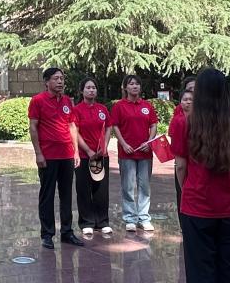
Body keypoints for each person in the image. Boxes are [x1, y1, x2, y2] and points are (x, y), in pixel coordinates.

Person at [171, 68, 230, 283]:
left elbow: (181, 165)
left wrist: (186, 191)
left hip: (197, 205)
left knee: (200, 272)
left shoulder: (185, 123)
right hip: (228, 207)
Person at [29, 67, 84, 249]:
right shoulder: (38, 101)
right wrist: (38, 153)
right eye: (56, 78)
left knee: (66, 194)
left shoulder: (67, 101)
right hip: (48, 155)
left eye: (62, 78)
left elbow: (72, 126)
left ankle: (67, 232)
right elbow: (33, 127)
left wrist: (76, 152)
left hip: (66, 155)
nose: (60, 81)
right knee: (47, 195)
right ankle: (47, 234)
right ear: (47, 82)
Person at [110, 75, 159, 233]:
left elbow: (153, 124)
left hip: (145, 153)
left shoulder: (147, 105)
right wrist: (124, 144)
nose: (135, 86)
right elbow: (115, 126)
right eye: (131, 84)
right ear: (125, 87)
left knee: (144, 186)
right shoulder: (119, 106)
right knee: (128, 186)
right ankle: (130, 218)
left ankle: (144, 218)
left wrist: (149, 142)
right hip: (127, 153)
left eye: (137, 84)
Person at [72, 78, 112, 237]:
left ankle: (102, 222)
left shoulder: (102, 109)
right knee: (83, 189)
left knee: (101, 189)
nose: (91, 90)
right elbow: (75, 132)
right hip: (83, 156)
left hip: (101, 155)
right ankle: (86, 222)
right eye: (88, 88)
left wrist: (104, 146)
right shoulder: (77, 110)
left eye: (93, 87)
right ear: (82, 91)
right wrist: (88, 150)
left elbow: (108, 128)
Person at [170, 77, 196, 210]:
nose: (193, 91)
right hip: (183, 158)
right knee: (183, 193)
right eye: (190, 89)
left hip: (196, 164)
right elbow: (174, 135)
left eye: (195, 88)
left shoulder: (206, 112)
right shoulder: (179, 115)